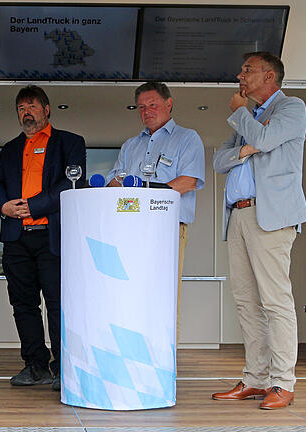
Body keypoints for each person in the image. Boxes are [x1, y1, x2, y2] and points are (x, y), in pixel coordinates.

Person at [211, 52, 306, 410]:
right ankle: (256, 378)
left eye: (247, 71)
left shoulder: (291, 108)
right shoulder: (248, 121)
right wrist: (247, 146)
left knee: (275, 301)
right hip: (237, 216)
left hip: (270, 216)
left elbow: (265, 142)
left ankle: (283, 383)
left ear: (269, 76)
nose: (240, 75)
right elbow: (218, 161)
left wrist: (243, 119)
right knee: (245, 302)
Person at [0, 85, 86, 391]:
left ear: (46, 109)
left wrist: (32, 206)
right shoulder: (9, 148)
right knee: (23, 305)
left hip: (51, 238)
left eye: (31, 106)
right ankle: (35, 366)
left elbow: (72, 182)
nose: (26, 112)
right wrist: (4, 206)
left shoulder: (70, 143)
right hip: (16, 239)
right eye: (21, 108)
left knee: (57, 304)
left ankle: (63, 368)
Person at [107, 81, 205, 338]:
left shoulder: (187, 138)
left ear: (169, 104)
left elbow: (188, 181)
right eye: (141, 107)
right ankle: (134, 362)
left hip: (166, 230)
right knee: (131, 296)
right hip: (130, 232)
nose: (146, 111)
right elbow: (114, 182)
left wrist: (144, 202)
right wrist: (116, 184)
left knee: (163, 298)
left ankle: (163, 368)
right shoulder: (130, 145)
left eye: (153, 105)